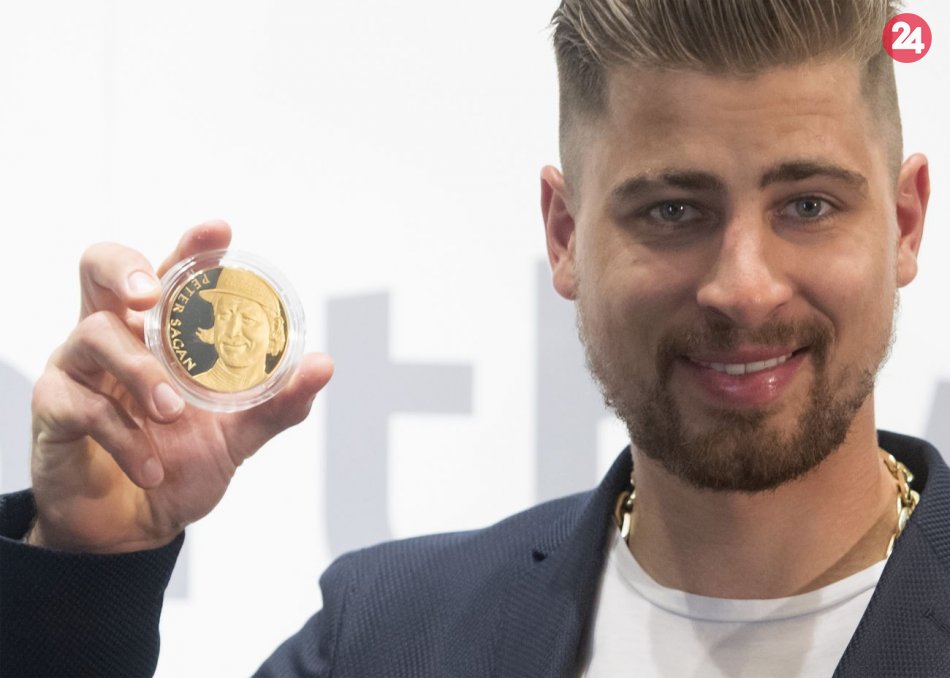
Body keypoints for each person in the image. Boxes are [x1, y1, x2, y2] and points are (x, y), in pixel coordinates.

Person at [1, 0, 948, 676]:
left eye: (808, 205)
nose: (744, 287)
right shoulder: (383, 643)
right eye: (671, 210)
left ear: (905, 223)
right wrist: (85, 572)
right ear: (565, 236)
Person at [192, 268, 287, 392]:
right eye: (224, 315)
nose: (232, 332)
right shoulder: (194, 388)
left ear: (274, 327)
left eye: (248, 319)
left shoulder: (282, 391)